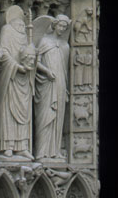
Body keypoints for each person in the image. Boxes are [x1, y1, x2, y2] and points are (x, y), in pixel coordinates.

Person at [0, 5, 36, 158]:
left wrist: (31, 57)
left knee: (25, 113)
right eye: (19, 23)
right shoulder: (6, 30)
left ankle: (22, 145)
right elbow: (3, 52)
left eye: (23, 24)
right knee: (8, 111)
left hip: (24, 80)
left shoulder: (25, 34)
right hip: (10, 77)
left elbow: (28, 52)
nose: (22, 26)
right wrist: (16, 66)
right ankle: (8, 144)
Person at [34, 15, 71, 159]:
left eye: (65, 27)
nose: (62, 29)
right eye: (60, 25)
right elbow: (35, 62)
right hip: (46, 83)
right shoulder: (44, 41)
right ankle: (41, 152)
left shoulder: (65, 46)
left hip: (60, 84)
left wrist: (66, 87)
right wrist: (46, 71)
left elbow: (65, 70)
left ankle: (55, 151)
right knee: (45, 116)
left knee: (58, 119)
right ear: (54, 25)